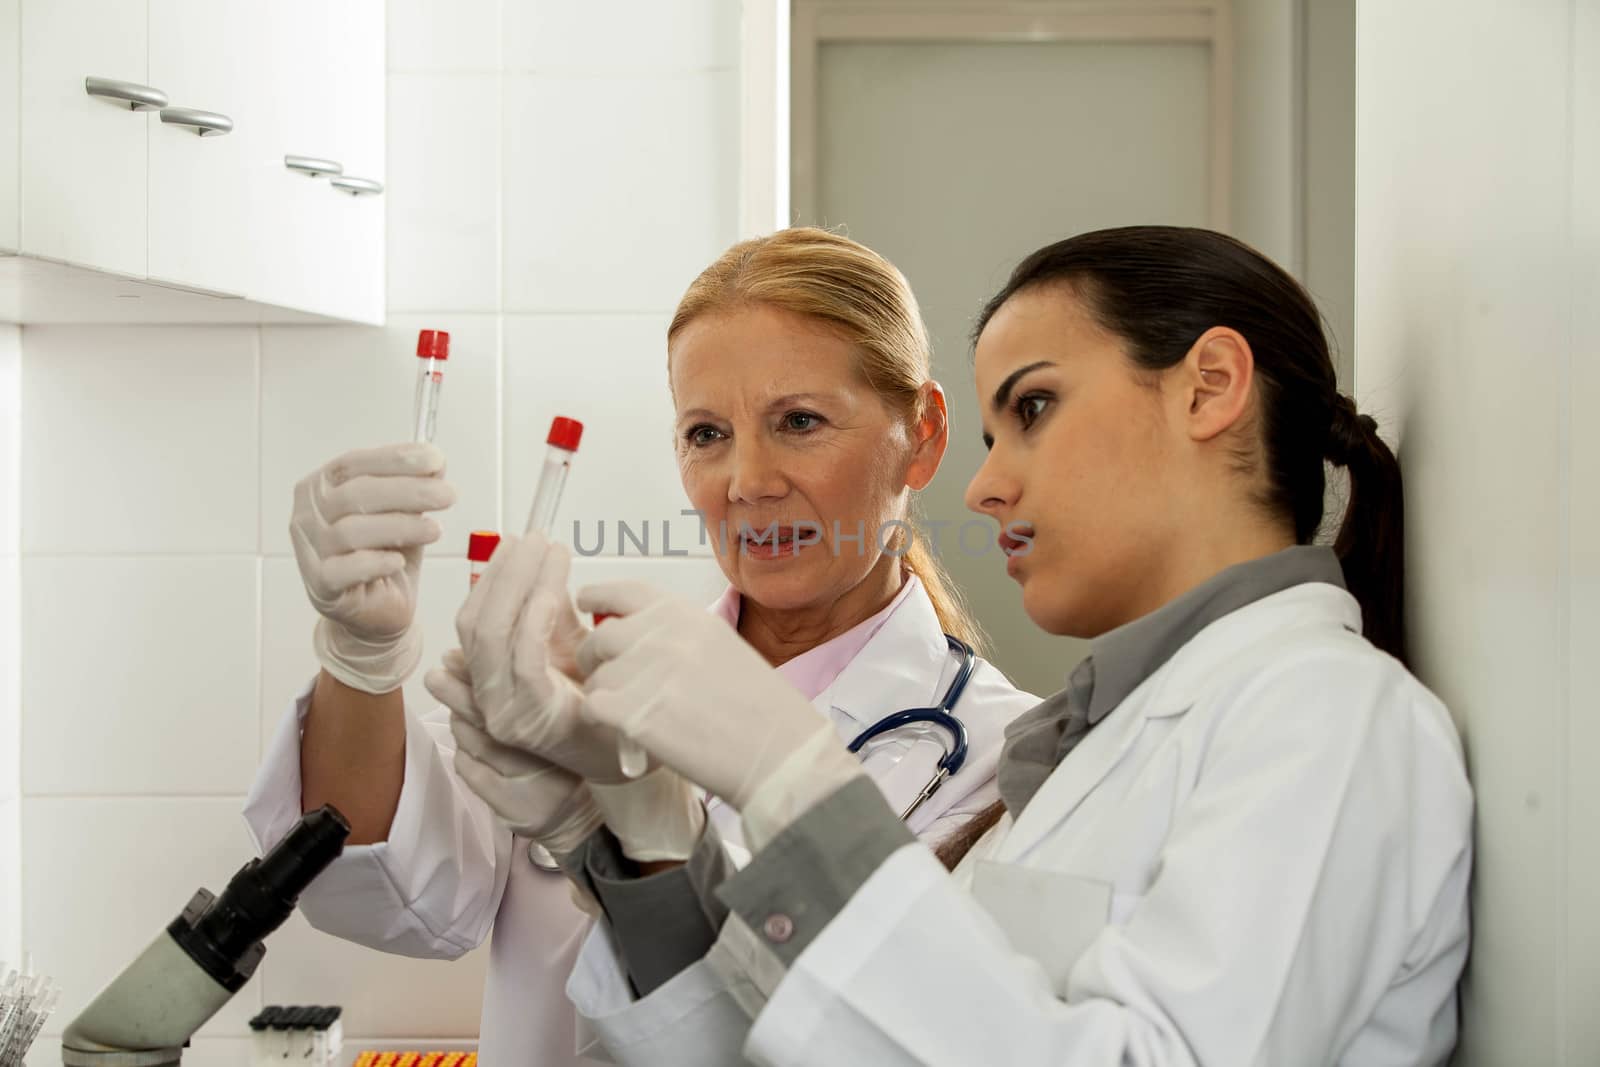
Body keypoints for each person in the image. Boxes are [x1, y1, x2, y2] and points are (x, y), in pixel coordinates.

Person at [466, 226, 1473, 1065]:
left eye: (1032, 408)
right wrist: (645, 844)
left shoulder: (1327, 717)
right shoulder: (1111, 743)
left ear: (1208, 387)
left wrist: (795, 780)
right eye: (705, 434)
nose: (986, 489)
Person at [241, 228, 1040, 1064]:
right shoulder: (589, 688)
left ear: (925, 434)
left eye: (799, 421)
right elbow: (382, 892)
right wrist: (361, 658)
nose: (748, 481)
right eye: (706, 434)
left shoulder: (1001, 760)